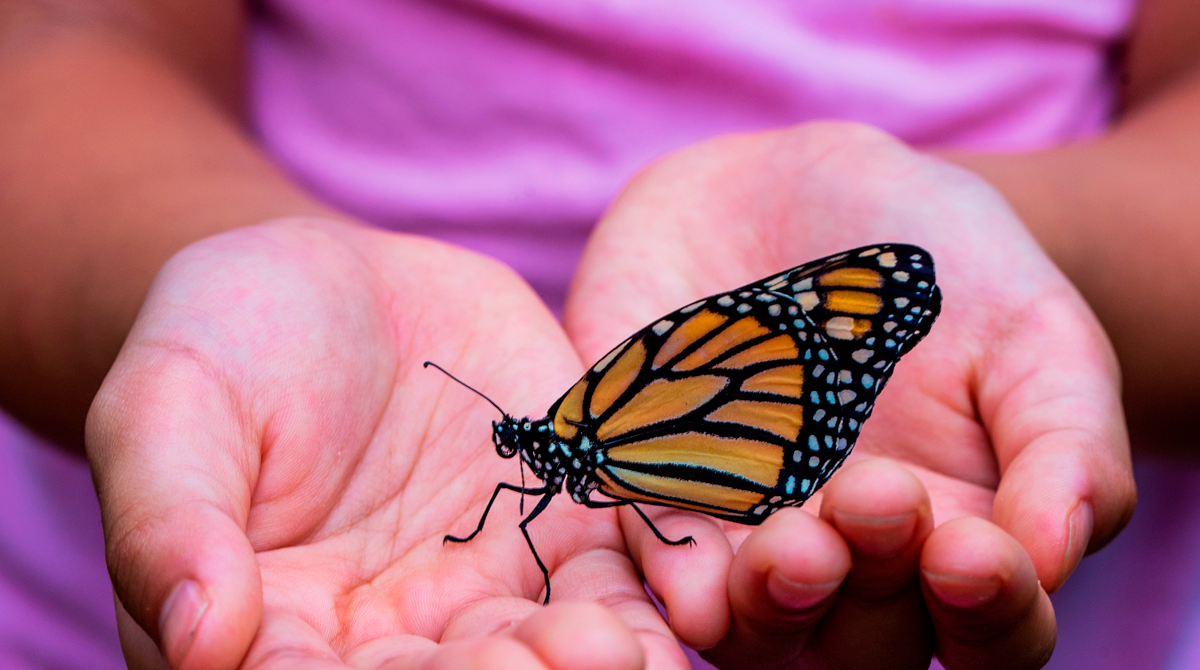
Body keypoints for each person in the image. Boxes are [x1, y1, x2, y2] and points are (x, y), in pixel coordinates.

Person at [1, 0, 1196, 668]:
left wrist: (1044, 261)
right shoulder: (567, 442)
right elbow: (56, 50)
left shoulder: (594, 423)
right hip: (193, 575)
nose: (526, 446)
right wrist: (236, 277)